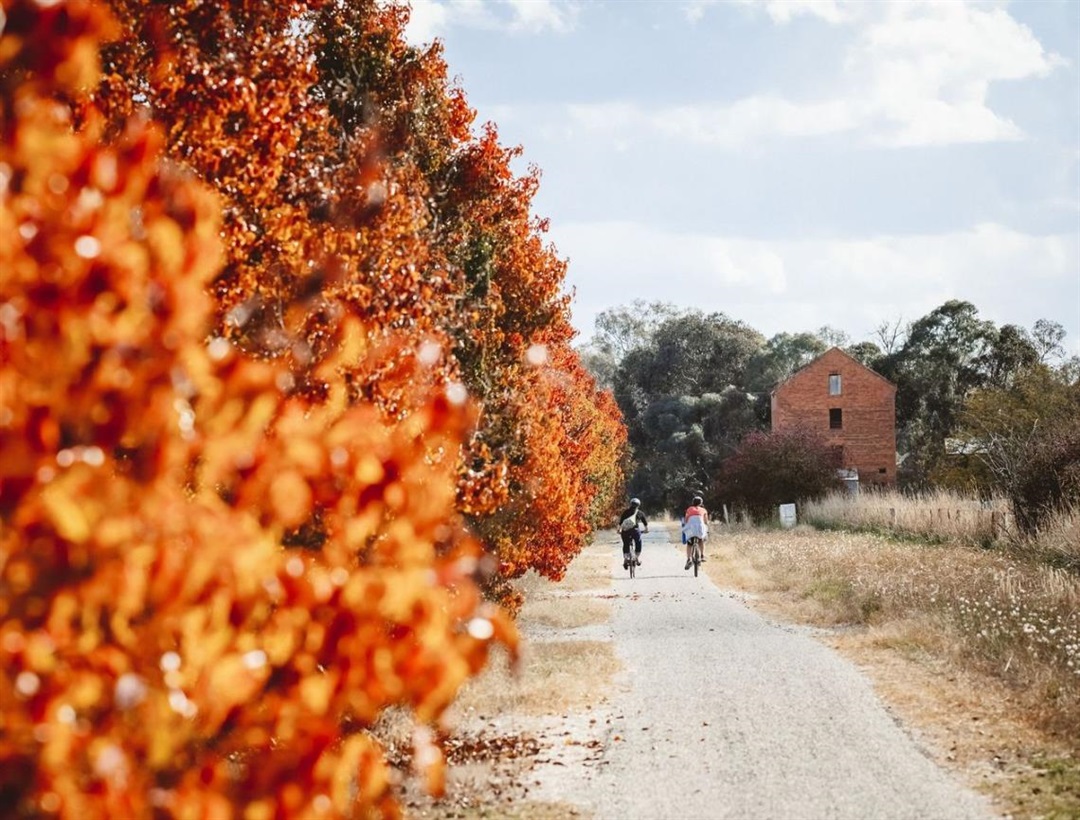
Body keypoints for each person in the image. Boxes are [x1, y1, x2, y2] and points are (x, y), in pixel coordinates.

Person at [617, 497, 648, 569]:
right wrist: (646, 530)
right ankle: (636, 557)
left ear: (630, 504)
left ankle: (626, 558)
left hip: (625, 531)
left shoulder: (625, 512)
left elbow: (620, 522)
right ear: (638, 505)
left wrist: (618, 530)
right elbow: (645, 523)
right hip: (635, 531)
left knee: (626, 543)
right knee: (638, 542)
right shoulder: (640, 513)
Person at [682, 495, 709, 570]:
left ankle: (689, 559)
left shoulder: (689, 509)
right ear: (701, 503)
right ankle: (702, 555)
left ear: (692, 502)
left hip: (691, 529)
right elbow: (706, 521)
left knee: (689, 544)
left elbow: (686, 520)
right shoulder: (703, 510)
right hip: (700, 529)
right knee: (701, 540)